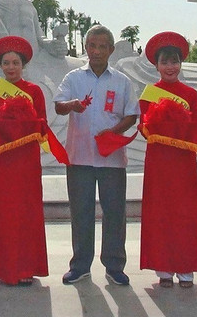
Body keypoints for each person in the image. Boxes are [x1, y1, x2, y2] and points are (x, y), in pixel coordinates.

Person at [54, 25, 138, 286]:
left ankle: (114, 266)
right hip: (79, 157)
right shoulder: (73, 78)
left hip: (111, 158)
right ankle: (80, 265)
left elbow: (132, 114)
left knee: (115, 212)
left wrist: (113, 132)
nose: (97, 51)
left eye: (103, 46)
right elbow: (58, 106)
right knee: (81, 212)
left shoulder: (122, 81)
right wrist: (72, 105)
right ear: (85, 47)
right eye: (92, 45)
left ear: (111, 50)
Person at [138, 32, 197, 289]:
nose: (170, 67)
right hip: (158, 161)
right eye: (165, 62)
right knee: (161, 212)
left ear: (181, 64)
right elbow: (143, 128)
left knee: (185, 212)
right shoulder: (149, 93)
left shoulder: (190, 94)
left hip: (183, 162)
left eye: (174, 61)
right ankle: (164, 268)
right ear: (156, 66)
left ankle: (186, 267)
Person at [0, 36, 48, 286]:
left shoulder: (34, 91)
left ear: (23, 64)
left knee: (27, 211)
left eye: (15, 62)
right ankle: (5, 267)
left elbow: (42, 124)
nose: (11, 67)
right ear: (0, 66)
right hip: (4, 162)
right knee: (4, 212)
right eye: (6, 63)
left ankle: (27, 267)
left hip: (27, 161)